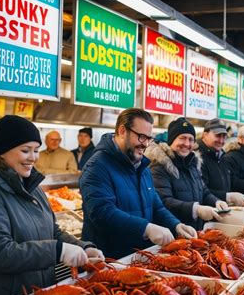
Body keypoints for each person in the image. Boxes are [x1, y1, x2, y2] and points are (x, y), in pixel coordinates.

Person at [0, 115, 104, 295]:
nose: (33, 157)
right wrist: (58, 251)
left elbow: (52, 231)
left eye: (36, 150)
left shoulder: (32, 186)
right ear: (3, 151)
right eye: (25, 150)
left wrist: (83, 246)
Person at [79, 109, 197, 259]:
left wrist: (176, 225)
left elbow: (155, 206)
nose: (145, 144)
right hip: (110, 261)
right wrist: (146, 228)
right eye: (141, 137)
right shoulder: (96, 166)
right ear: (122, 131)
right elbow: (102, 212)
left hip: (139, 258)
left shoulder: (142, 167)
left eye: (149, 139)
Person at [145, 118, 230, 230]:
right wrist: (195, 209)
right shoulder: (159, 166)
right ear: (172, 140)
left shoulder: (193, 164)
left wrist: (216, 201)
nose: (187, 143)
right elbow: (163, 201)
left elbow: (203, 191)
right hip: (173, 233)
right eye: (182, 138)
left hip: (195, 232)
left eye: (191, 139)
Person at [196, 118, 244, 207]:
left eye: (224, 136)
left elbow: (230, 181)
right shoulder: (197, 157)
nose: (221, 140)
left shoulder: (221, 156)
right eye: (217, 135)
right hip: (207, 213)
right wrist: (227, 196)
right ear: (205, 135)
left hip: (222, 210)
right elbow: (200, 190)